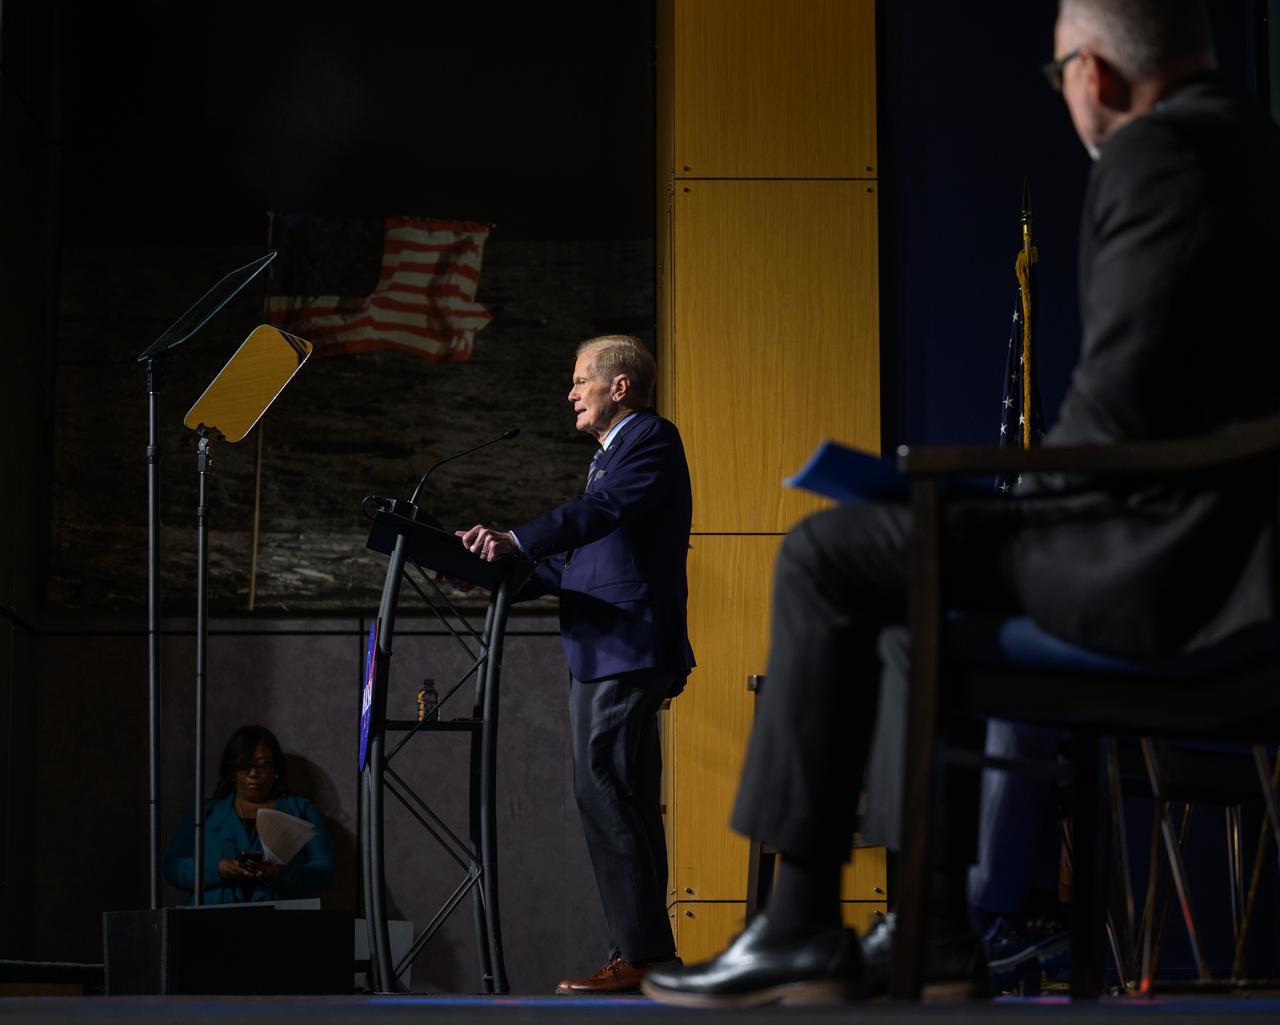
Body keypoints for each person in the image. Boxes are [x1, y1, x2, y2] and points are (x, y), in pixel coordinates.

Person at [642, 0, 1280, 1006]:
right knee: (913, 605)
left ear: (1093, 74)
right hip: (1236, 562)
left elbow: (1113, 419)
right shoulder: (1254, 151)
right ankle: (932, 929)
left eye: (1057, 74)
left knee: (828, 550)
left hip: (1168, 574)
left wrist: (986, 500)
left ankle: (798, 923)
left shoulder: (1156, 158)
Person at [457, 334, 695, 995]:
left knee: (601, 785)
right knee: (629, 795)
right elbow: (583, 561)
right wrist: (499, 565)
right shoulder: (611, 462)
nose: (570, 393)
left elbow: (598, 516)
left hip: (625, 645)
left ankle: (643, 952)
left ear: (620, 386)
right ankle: (646, 951)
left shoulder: (649, 438)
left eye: (580, 380)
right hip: (608, 644)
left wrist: (519, 537)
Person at [164, 725, 336, 905]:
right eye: (244, 765)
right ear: (232, 772)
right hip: (213, 923)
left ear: (275, 770)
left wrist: (279, 873)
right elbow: (172, 867)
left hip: (281, 924)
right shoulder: (204, 813)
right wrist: (217, 869)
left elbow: (325, 869)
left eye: (262, 765)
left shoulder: (302, 812)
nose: (253, 773)